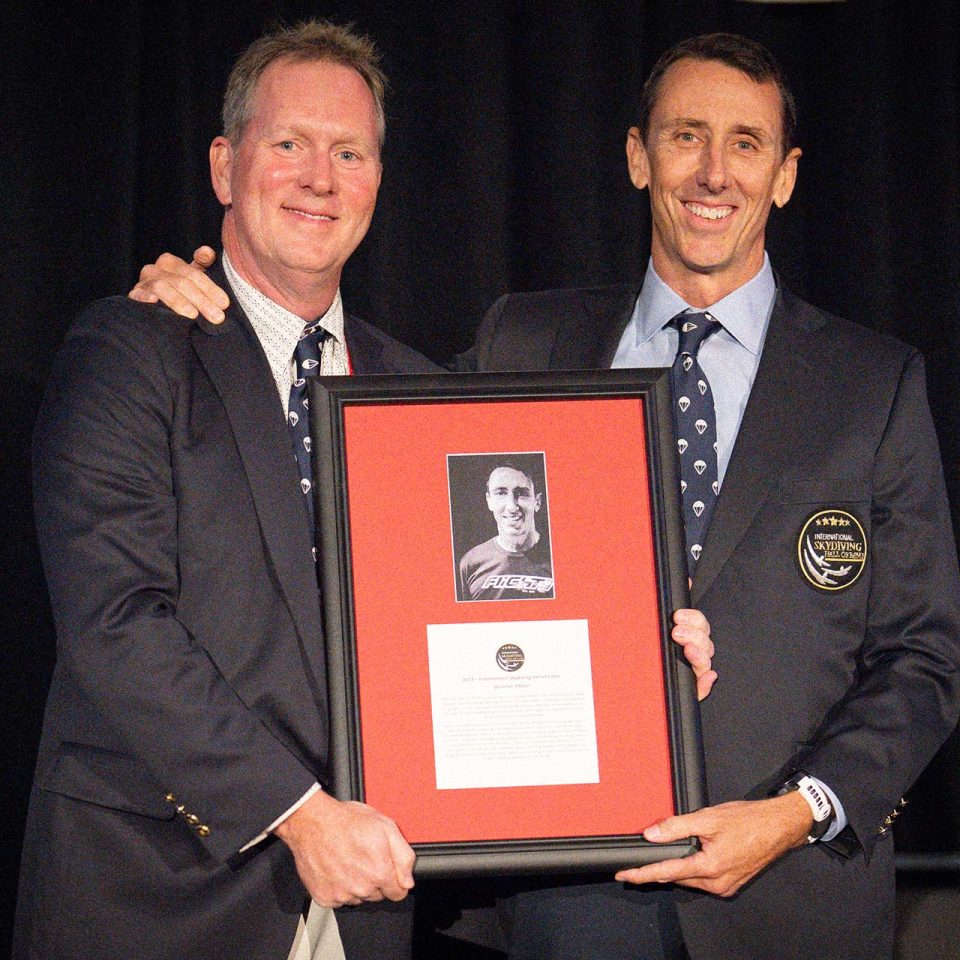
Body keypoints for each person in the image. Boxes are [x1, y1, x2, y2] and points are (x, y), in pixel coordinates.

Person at [127, 29, 960, 960]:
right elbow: (368, 467)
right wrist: (217, 307)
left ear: (788, 174)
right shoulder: (524, 342)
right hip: (564, 897)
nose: (714, 171)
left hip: (790, 898)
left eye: (746, 143)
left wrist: (797, 813)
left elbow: (925, 660)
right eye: (686, 136)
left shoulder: (872, 384)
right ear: (640, 158)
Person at [15, 20, 439, 960]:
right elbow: (116, 622)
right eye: (288, 143)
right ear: (223, 166)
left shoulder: (416, 389)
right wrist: (298, 815)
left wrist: (644, 630)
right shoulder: (130, 351)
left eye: (349, 151)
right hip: (153, 898)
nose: (319, 177)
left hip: (365, 905)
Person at [458, 463, 555, 601]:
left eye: (521, 493)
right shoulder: (470, 563)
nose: (512, 506)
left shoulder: (557, 560)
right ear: (489, 501)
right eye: (501, 493)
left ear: (537, 502)